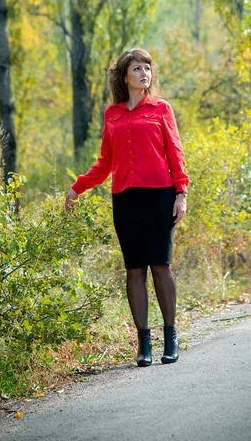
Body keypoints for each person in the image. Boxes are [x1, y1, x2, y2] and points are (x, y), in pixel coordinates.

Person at [65, 48, 189, 367]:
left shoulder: (162, 109)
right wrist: (78, 186)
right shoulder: (112, 114)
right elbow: (105, 162)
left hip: (160, 196)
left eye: (147, 68)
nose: (144, 73)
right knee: (134, 269)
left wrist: (181, 193)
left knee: (161, 265)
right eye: (137, 68)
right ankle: (143, 343)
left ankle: (171, 337)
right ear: (124, 76)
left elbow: (175, 153)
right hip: (126, 199)